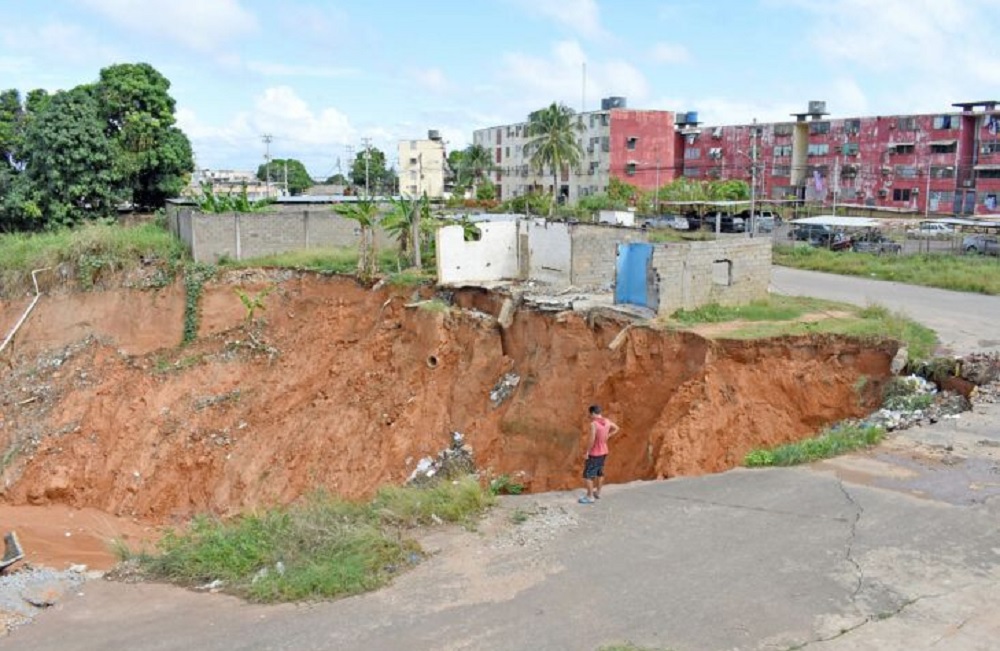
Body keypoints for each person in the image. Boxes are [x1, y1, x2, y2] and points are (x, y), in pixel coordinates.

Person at [579, 404, 619, 504]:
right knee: (599, 472)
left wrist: (587, 452)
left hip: (594, 453)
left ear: (593, 413)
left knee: (588, 475)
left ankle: (590, 497)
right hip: (604, 451)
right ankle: (598, 493)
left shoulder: (594, 424)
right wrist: (608, 435)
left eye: (590, 414)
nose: (589, 416)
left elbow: (592, 440)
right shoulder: (607, 421)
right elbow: (617, 428)